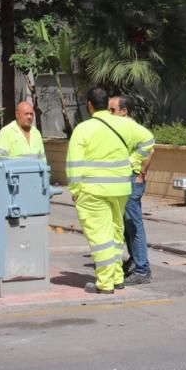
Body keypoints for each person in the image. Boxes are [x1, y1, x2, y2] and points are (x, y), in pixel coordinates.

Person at [66, 87, 148, 294]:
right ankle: (117, 277)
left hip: (93, 191)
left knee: (100, 237)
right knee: (116, 232)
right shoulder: (123, 124)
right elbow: (148, 140)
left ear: (89, 105)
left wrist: (75, 190)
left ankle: (105, 283)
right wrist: (133, 163)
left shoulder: (83, 129)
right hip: (120, 188)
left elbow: (73, 163)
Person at [108, 95, 156, 285]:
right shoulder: (118, 128)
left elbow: (150, 146)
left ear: (124, 111)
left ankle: (142, 269)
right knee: (127, 225)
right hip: (124, 179)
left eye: (112, 110)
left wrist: (138, 168)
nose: (109, 114)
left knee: (134, 224)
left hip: (132, 180)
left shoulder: (133, 128)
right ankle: (135, 261)